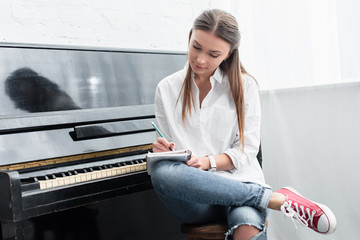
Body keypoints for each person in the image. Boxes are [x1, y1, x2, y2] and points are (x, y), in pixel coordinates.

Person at [150, 9, 337, 240]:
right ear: (190, 37)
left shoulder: (245, 85)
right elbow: (173, 152)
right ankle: (272, 199)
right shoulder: (166, 88)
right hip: (196, 198)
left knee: (247, 227)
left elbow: (247, 150)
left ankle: (259, 198)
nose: (200, 60)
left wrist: (207, 162)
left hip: (240, 181)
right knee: (160, 171)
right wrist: (164, 150)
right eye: (196, 47)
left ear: (228, 54)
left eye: (213, 54)